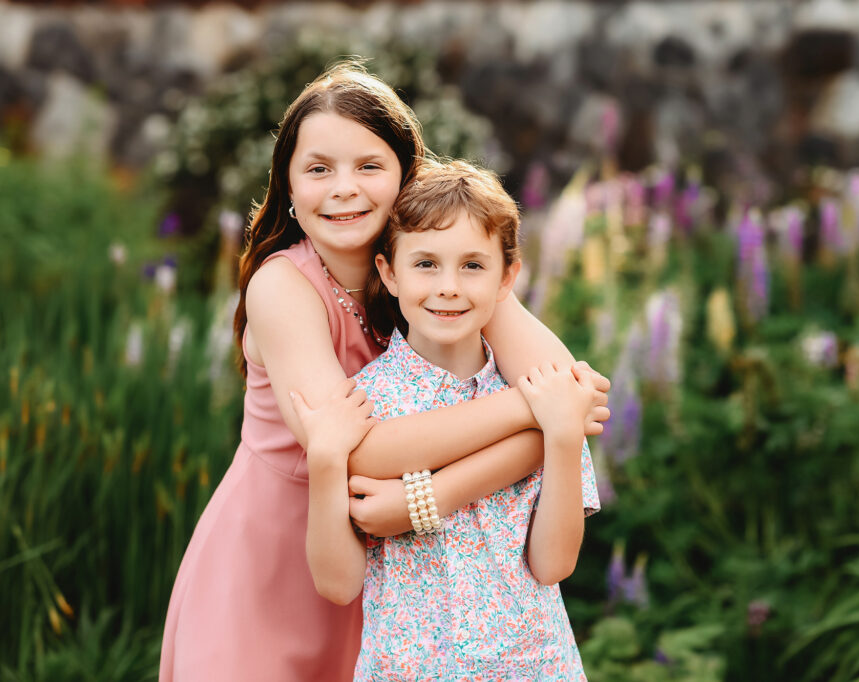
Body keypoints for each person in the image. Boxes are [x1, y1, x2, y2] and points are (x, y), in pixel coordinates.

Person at [159, 62, 609, 681]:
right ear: (287, 185)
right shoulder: (282, 287)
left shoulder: (438, 271)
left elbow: (571, 394)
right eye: (318, 169)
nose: (344, 188)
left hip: (396, 581)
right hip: (277, 562)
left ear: (406, 175)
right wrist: (527, 409)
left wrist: (430, 498)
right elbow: (361, 452)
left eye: (369, 166)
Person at [291, 159, 599, 680]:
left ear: (508, 278)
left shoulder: (546, 397)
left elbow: (554, 565)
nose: (449, 287)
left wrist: (565, 436)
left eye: (473, 266)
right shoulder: (365, 407)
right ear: (389, 273)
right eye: (426, 264)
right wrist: (325, 458)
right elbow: (339, 584)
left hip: (532, 665)